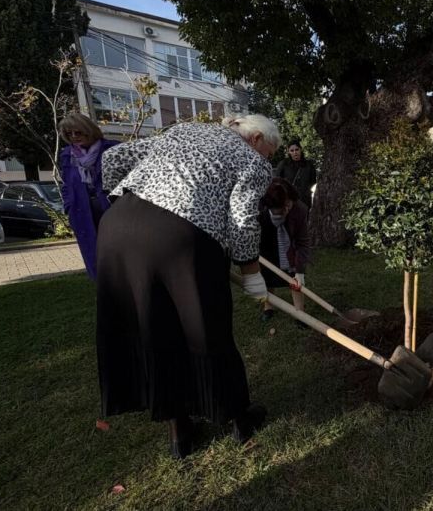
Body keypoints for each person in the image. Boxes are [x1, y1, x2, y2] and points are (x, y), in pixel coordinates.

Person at [96, 115, 279, 459]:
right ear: (255, 139)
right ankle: (238, 418)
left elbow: (113, 159)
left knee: (154, 329)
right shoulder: (251, 161)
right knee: (205, 329)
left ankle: (179, 431)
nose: (267, 161)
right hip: (181, 238)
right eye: (269, 153)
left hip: (118, 227)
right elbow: (242, 220)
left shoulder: (184, 130)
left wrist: (133, 204)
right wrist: (252, 274)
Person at [57, 113, 119, 280]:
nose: (74, 137)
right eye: (69, 134)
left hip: (112, 209)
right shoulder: (67, 155)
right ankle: (105, 289)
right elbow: (67, 184)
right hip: (82, 211)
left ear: (89, 130)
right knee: (94, 255)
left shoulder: (112, 149)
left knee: (119, 251)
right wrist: (69, 206)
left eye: (78, 132)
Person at [258, 177, 311, 322]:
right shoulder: (258, 208)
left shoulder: (299, 210)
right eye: (279, 211)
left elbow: (302, 242)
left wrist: (299, 271)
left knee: (294, 276)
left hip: (289, 243)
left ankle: (300, 313)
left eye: (286, 207)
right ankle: (268, 307)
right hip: (266, 242)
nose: (284, 211)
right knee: (266, 275)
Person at [274, 140, 317, 208]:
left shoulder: (309, 165)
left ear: (300, 149)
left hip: (304, 202)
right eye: (292, 150)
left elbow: (313, 183)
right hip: (289, 202)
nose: (295, 152)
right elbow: (277, 182)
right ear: (289, 152)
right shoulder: (284, 164)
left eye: (297, 149)